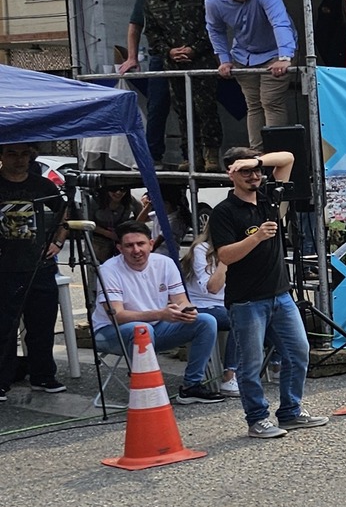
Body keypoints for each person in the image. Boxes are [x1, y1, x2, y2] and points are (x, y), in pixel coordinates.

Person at [210, 145, 325, 438]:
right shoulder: (224, 212)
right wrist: (258, 237)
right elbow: (225, 255)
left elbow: (288, 158)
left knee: (298, 352)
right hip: (247, 301)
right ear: (230, 173)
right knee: (250, 367)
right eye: (245, 171)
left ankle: (290, 411)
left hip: (280, 295)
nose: (254, 175)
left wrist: (257, 159)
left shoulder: (269, 198)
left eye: (256, 170)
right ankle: (257, 419)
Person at [90, 220, 223, 404]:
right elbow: (117, 316)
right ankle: (147, 390)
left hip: (155, 327)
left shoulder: (165, 263)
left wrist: (187, 311)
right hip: (110, 332)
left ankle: (192, 385)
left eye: (141, 244)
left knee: (206, 321)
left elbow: (181, 301)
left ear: (151, 244)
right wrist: (160, 314)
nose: (136, 250)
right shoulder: (109, 270)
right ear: (119, 248)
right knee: (142, 329)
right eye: (129, 246)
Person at [135, 0, 221, 170]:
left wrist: (194, 49)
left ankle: (211, 154)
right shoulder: (152, 2)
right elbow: (152, 34)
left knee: (206, 109)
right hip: (174, 65)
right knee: (183, 111)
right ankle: (191, 155)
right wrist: (169, 52)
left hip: (202, 62)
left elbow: (212, 28)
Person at [204, 0, 299, 145]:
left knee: (271, 101)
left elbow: (279, 21)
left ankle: (275, 157)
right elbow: (215, 30)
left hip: (276, 51)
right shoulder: (212, 0)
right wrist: (224, 60)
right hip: (243, 54)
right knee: (254, 105)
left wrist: (285, 57)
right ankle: (257, 157)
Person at [0, 143, 67, 402]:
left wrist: (58, 242)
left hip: (40, 267)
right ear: (2, 157)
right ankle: (2, 380)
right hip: (5, 270)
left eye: (24, 154)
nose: (19, 160)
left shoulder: (43, 186)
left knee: (42, 324)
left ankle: (43, 375)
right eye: (12, 154)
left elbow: (64, 212)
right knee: (4, 327)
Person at [116, 0, 185, 162]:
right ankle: (152, 155)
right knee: (157, 106)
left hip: (190, 57)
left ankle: (192, 156)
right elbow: (135, 26)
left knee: (190, 107)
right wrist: (131, 57)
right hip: (160, 58)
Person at [181, 229, 234, 395]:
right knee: (243, 317)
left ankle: (276, 366)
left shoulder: (244, 248)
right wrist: (225, 259)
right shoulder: (202, 249)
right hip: (205, 304)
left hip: (229, 304)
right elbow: (211, 288)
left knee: (271, 309)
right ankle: (230, 374)